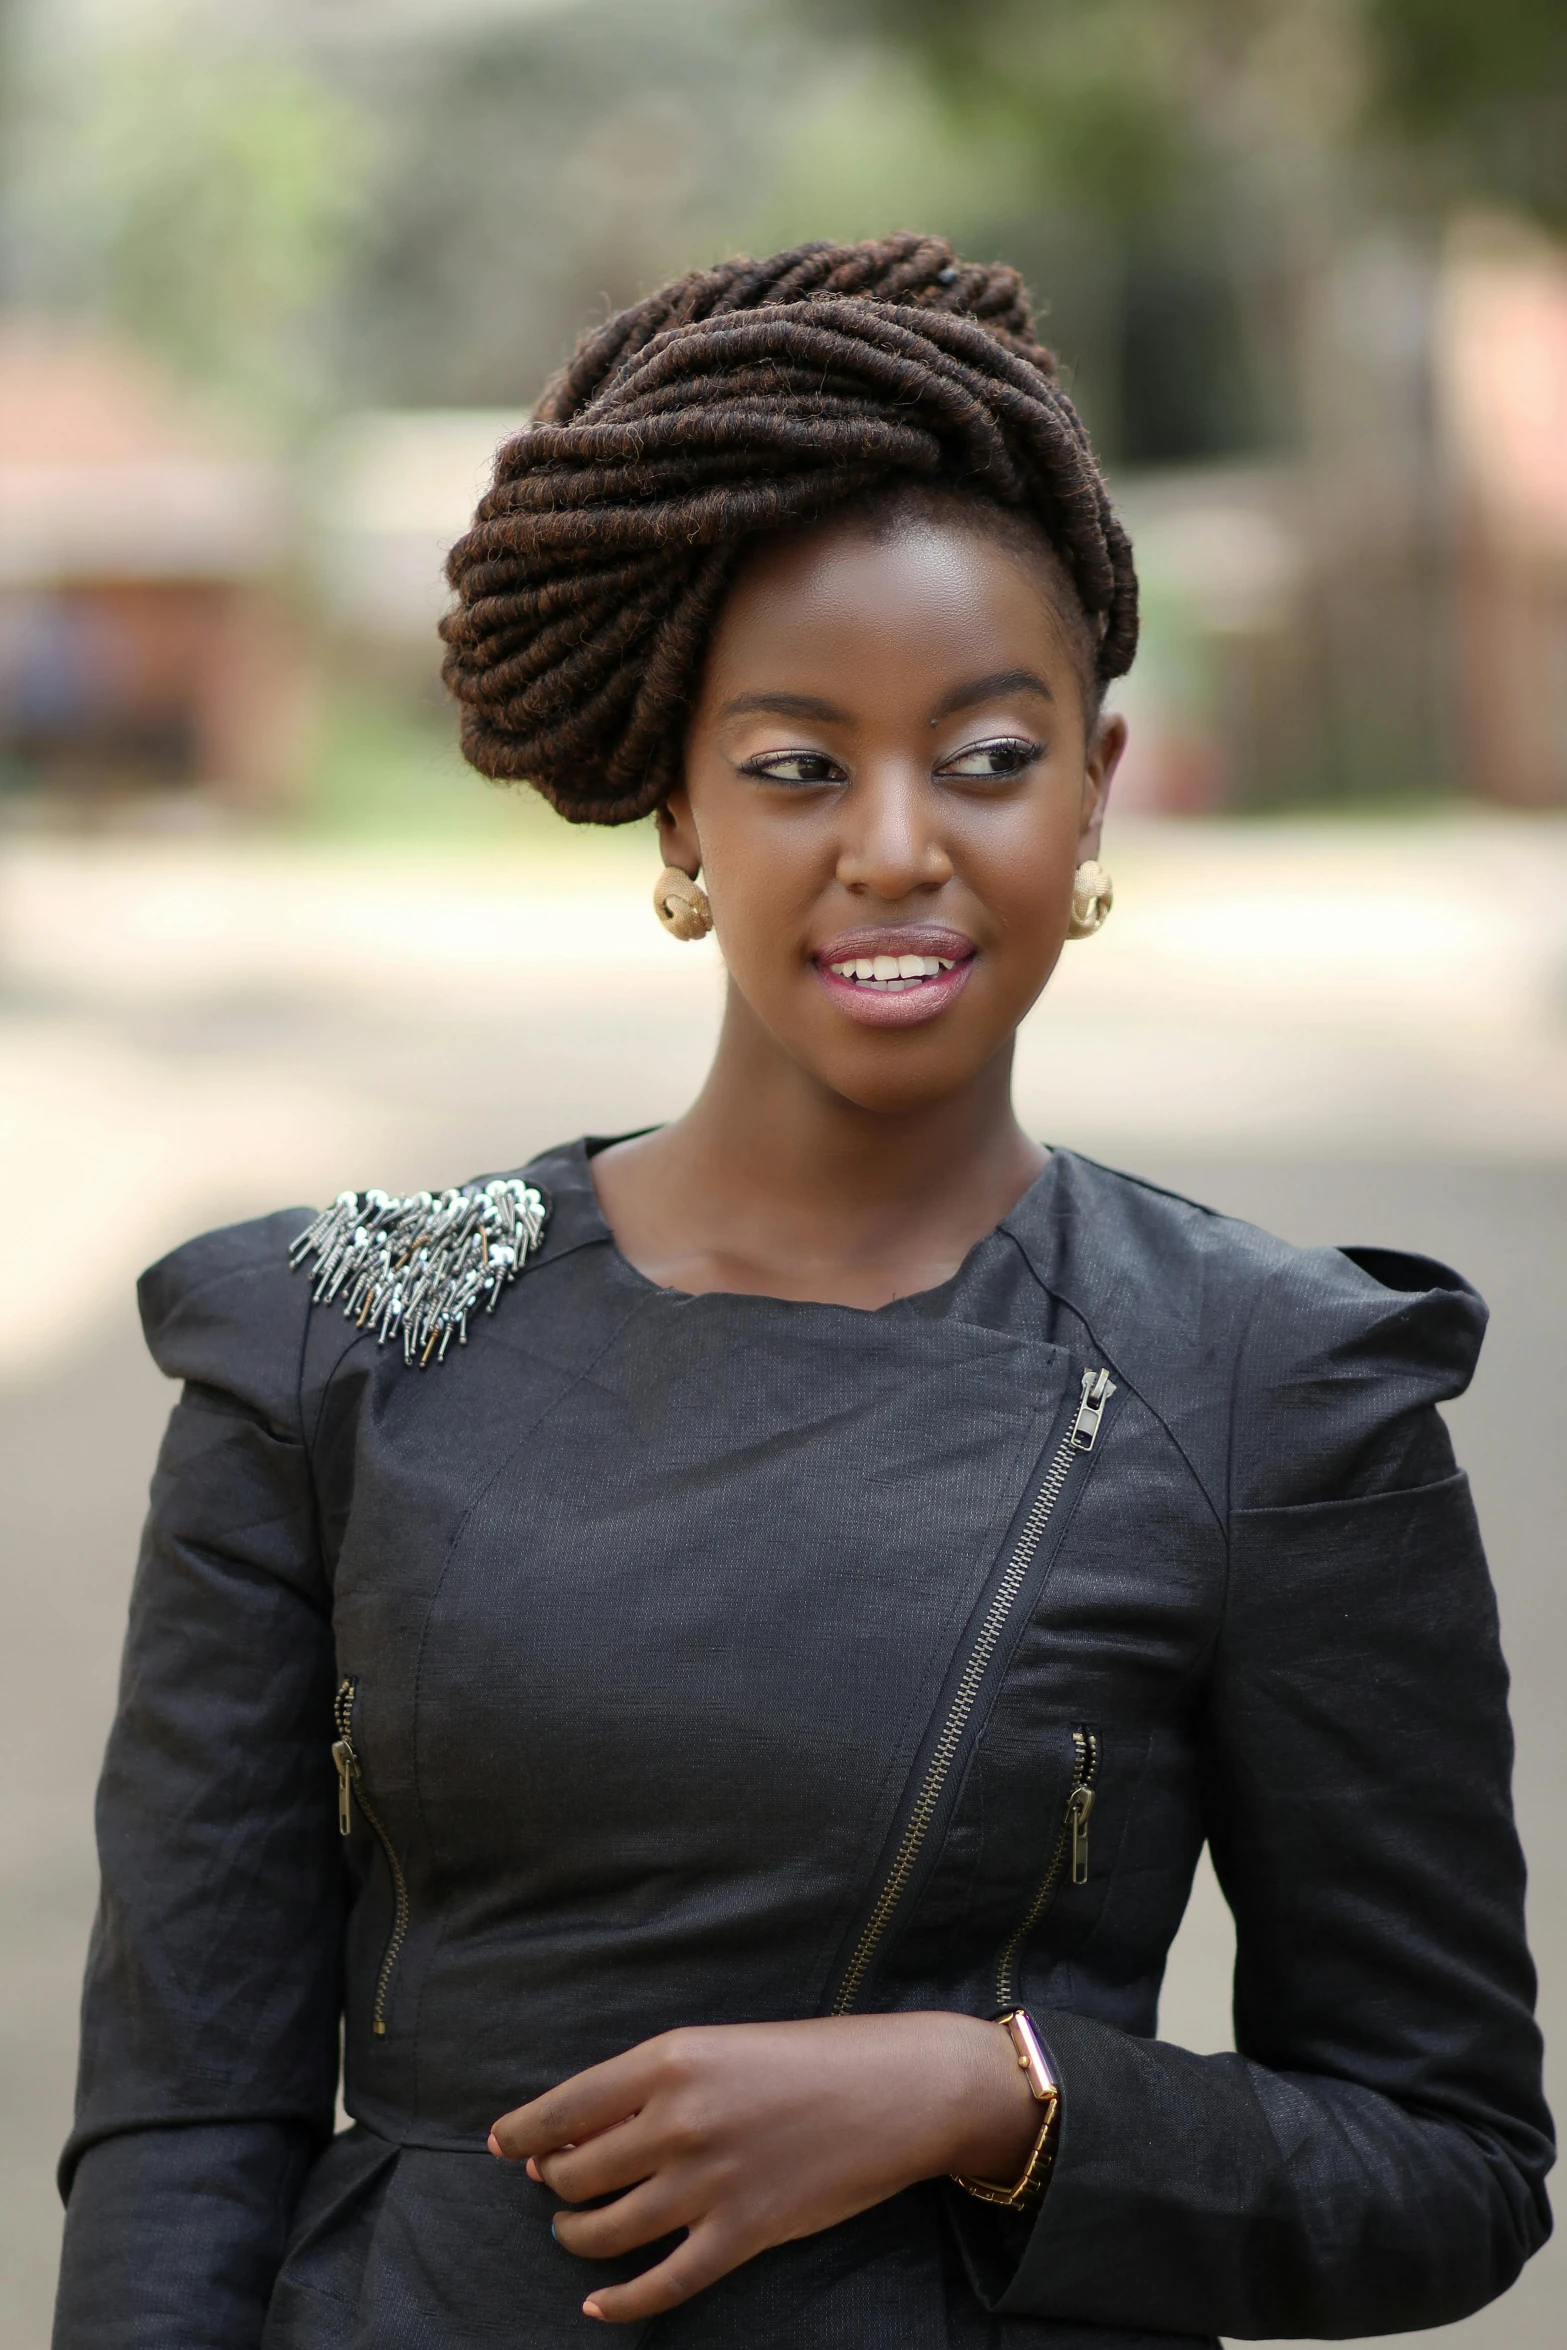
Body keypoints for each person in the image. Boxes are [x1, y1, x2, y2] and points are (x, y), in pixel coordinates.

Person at [54, 235, 1550, 2350]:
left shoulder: (1279, 1383)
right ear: (677, 804)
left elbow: (1450, 2161)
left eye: (988, 755)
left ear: (1100, 786)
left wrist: (991, 2094)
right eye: (796, 764)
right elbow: (185, 2115)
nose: (897, 845)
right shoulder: (340, 1339)